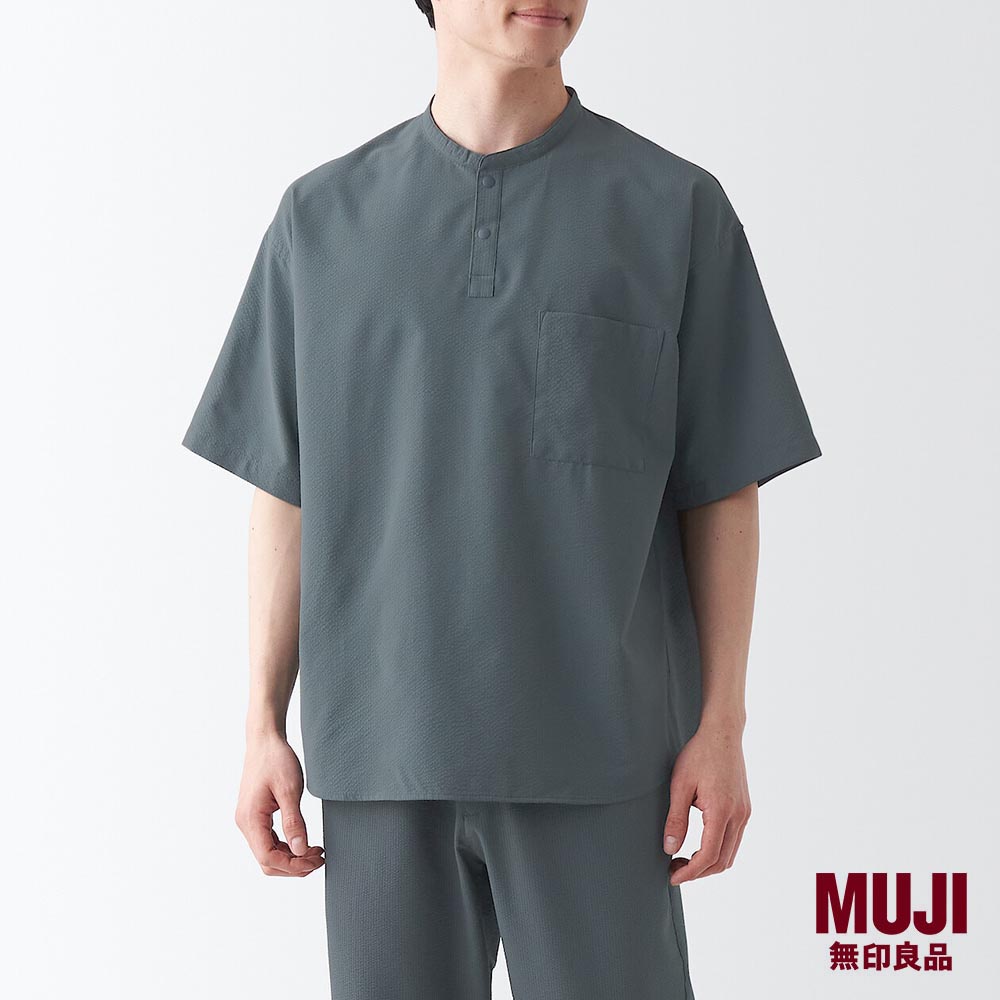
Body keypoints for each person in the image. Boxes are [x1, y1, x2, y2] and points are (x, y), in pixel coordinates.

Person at [181, 1, 822, 996]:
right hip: (381, 756)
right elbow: (286, 485)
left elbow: (721, 487)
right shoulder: (320, 219)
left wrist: (724, 726)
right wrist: (262, 720)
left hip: (605, 760)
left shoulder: (673, 207)